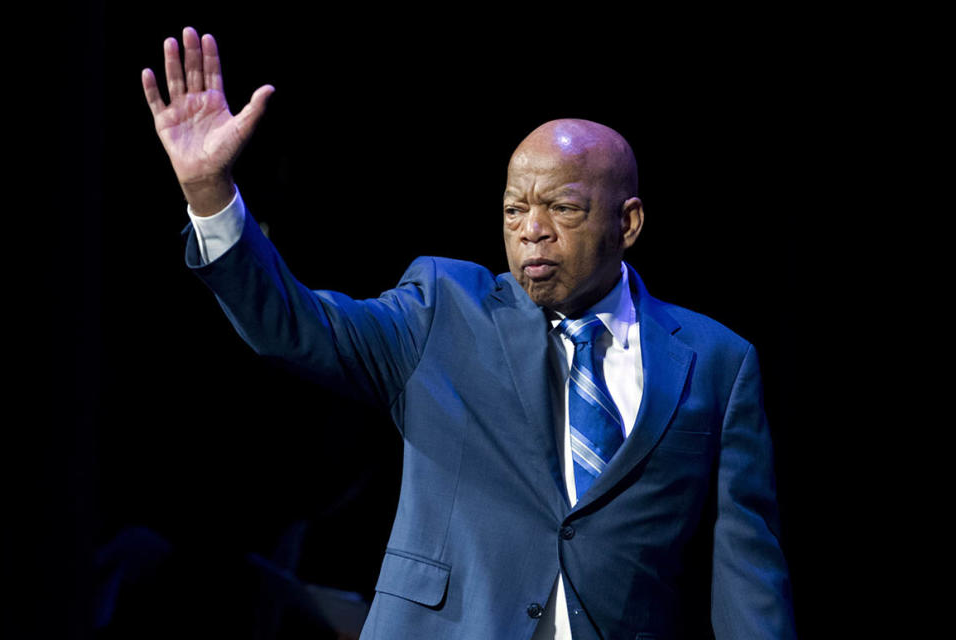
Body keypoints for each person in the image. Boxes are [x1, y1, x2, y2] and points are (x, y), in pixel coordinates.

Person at [143, 27, 796, 640]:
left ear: (628, 223)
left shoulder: (716, 361)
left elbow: (745, 567)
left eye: (562, 207)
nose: (530, 229)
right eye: (515, 208)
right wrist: (210, 192)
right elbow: (294, 326)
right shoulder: (442, 309)